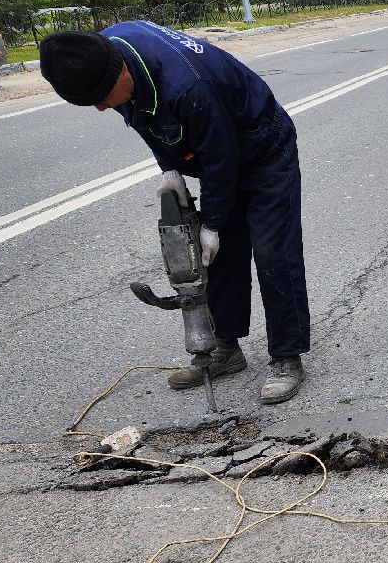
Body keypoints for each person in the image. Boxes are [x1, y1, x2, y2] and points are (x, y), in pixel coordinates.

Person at [39, 23, 310, 404]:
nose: (101, 107)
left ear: (120, 69)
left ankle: (286, 356)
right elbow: (146, 120)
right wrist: (171, 170)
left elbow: (221, 158)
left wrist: (212, 223)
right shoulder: (99, 52)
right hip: (216, 150)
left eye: (101, 97)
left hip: (263, 147)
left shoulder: (187, 86)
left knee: (271, 249)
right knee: (218, 257)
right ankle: (226, 349)